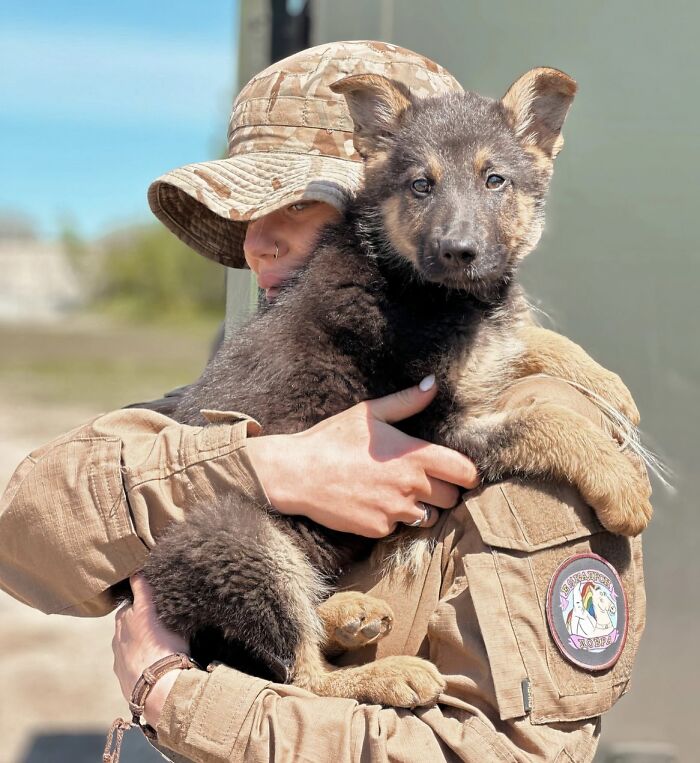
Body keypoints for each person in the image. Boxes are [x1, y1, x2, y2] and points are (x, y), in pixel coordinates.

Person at [0, 42, 647, 762]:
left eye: (302, 204)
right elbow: (24, 530)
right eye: (244, 214)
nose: (257, 243)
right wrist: (266, 468)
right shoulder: (277, 358)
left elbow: (499, 750)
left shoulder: (539, 413)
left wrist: (170, 690)